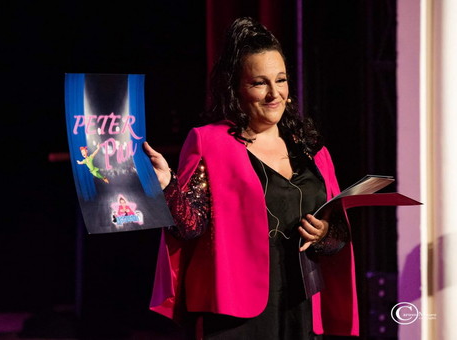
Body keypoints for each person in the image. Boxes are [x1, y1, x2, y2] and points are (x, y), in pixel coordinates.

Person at [144, 17, 359, 339]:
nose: (274, 93)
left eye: (281, 80)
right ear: (236, 89)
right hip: (235, 311)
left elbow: (338, 234)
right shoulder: (210, 142)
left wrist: (326, 233)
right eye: (259, 83)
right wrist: (167, 187)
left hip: (303, 303)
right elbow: (189, 228)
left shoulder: (312, 149)